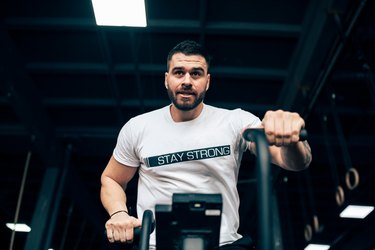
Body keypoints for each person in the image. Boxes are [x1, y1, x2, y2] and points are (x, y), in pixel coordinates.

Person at [100, 40, 312, 249]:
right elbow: (111, 179)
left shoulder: (235, 121)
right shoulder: (138, 127)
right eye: (178, 72)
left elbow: (294, 162)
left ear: (207, 81)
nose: (186, 81)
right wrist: (119, 213)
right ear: (166, 79)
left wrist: (291, 138)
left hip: (223, 244)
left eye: (196, 73)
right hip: (157, 244)